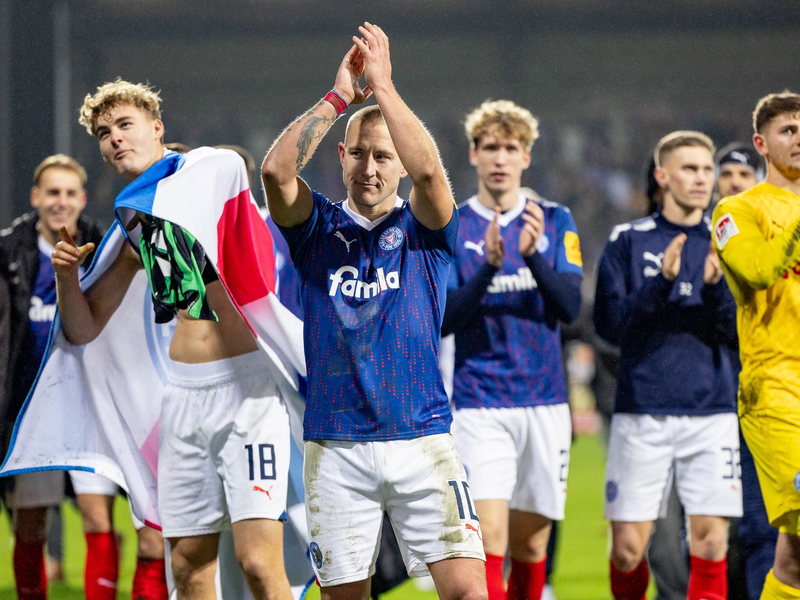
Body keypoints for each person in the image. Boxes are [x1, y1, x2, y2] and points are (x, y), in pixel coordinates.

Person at [262, 23, 486, 600]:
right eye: (358, 154)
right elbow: (276, 173)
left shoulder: (426, 228)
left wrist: (383, 88)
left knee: (469, 592)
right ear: (341, 155)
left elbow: (431, 173)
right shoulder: (316, 228)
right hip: (335, 446)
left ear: (400, 163)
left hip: (423, 439)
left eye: (384, 156)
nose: (369, 168)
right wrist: (340, 97)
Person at [53, 78, 293, 599]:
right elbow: (84, 328)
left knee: (258, 563)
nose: (115, 138)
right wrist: (67, 278)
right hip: (183, 398)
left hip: (247, 393)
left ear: (158, 128)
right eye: (104, 133)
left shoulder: (210, 173)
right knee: (185, 567)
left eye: (125, 125)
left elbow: (233, 165)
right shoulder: (133, 226)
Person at [440, 99, 581, 600]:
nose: (500, 157)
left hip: (545, 403)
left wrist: (533, 257)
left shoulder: (555, 220)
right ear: (473, 155)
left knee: (531, 545)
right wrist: (487, 269)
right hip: (480, 404)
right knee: (489, 540)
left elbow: (570, 308)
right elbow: (444, 319)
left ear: (526, 156)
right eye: (490, 147)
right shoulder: (454, 225)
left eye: (510, 148)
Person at [595, 130, 742, 600]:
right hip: (643, 414)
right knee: (627, 552)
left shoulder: (729, 240)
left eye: (707, 169)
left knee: (711, 542)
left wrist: (716, 291)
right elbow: (609, 326)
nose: (702, 178)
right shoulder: (627, 240)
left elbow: (740, 334)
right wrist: (661, 284)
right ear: (663, 176)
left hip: (712, 412)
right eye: (690, 168)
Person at [0, 155, 105, 599]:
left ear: (82, 199)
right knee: (30, 522)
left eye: (69, 193)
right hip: (32, 407)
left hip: (92, 405)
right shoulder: (9, 252)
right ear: (36, 197)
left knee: (98, 518)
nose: (61, 201)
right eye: (52, 192)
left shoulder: (104, 246)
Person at [712, 92, 800, 598]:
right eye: (788, 130)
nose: (799, 138)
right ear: (761, 144)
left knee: (793, 558)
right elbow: (758, 270)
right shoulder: (737, 210)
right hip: (777, 390)